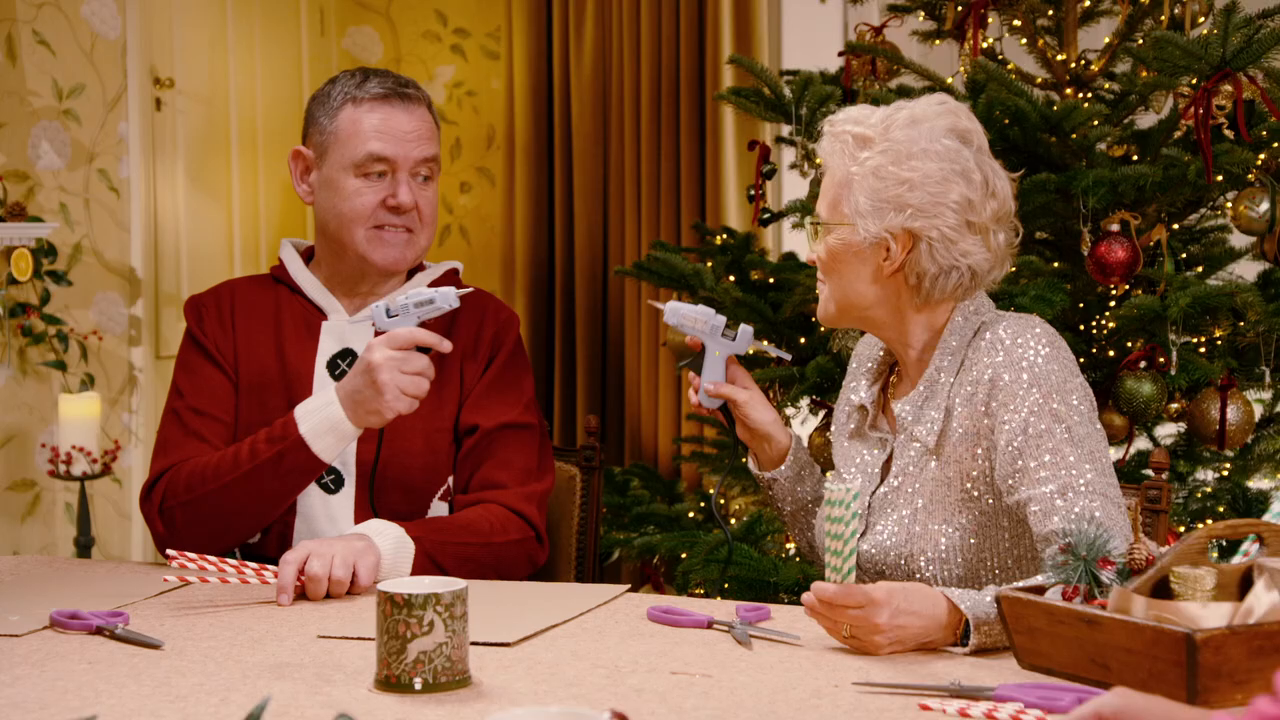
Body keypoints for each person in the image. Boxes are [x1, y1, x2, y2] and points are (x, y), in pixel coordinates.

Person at [687, 92, 1130, 654]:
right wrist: (774, 446)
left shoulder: (1019, 360)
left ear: (891, 250)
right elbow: (850, 570)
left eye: (823, 228)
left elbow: (1102, 581)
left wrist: (958, 619)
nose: (811, 254)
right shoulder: (870, 367)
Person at [141, 67, 554, 605]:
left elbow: (518, 533)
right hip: (248, 626)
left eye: (424, 176)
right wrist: (340, 412)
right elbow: (176, 525)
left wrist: (379, 548)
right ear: (306, 175)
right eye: (376, 173)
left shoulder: (482, 326)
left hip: (419, 630)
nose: (404, 198)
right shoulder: (224, 316)